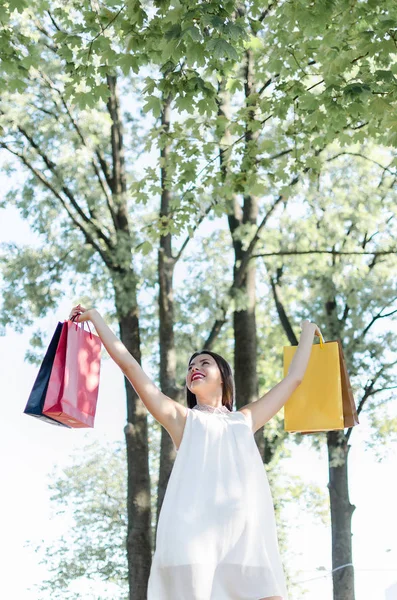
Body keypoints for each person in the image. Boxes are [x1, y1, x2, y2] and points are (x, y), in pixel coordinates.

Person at [69, 304, 322, 600]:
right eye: (190, 368)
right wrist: (97, 319)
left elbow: (293, 380)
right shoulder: (183, 419)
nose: (194, 369)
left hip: (246, 541)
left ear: (223, 377)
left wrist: (307, 332)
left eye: (204, 363)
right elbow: (130, 367)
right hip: (192, 542)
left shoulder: (245, 419)